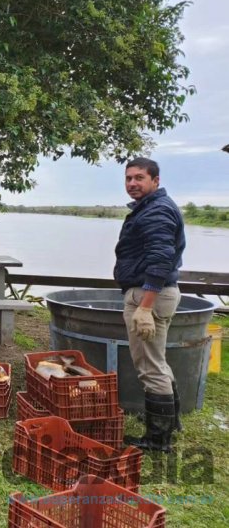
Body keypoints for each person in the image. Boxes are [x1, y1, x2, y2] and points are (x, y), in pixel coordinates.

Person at [115, 158, 185, 452]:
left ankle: (157, 441)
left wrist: (145, 307)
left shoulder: (156, 211)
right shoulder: (152, 208)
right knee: (158, 361)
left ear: (155, 180)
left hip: (149, 297)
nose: (132, 183)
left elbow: (160, 260)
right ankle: (172, 424)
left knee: (150, 367)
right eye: (129, 178)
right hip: (154, 294)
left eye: (139, 178)